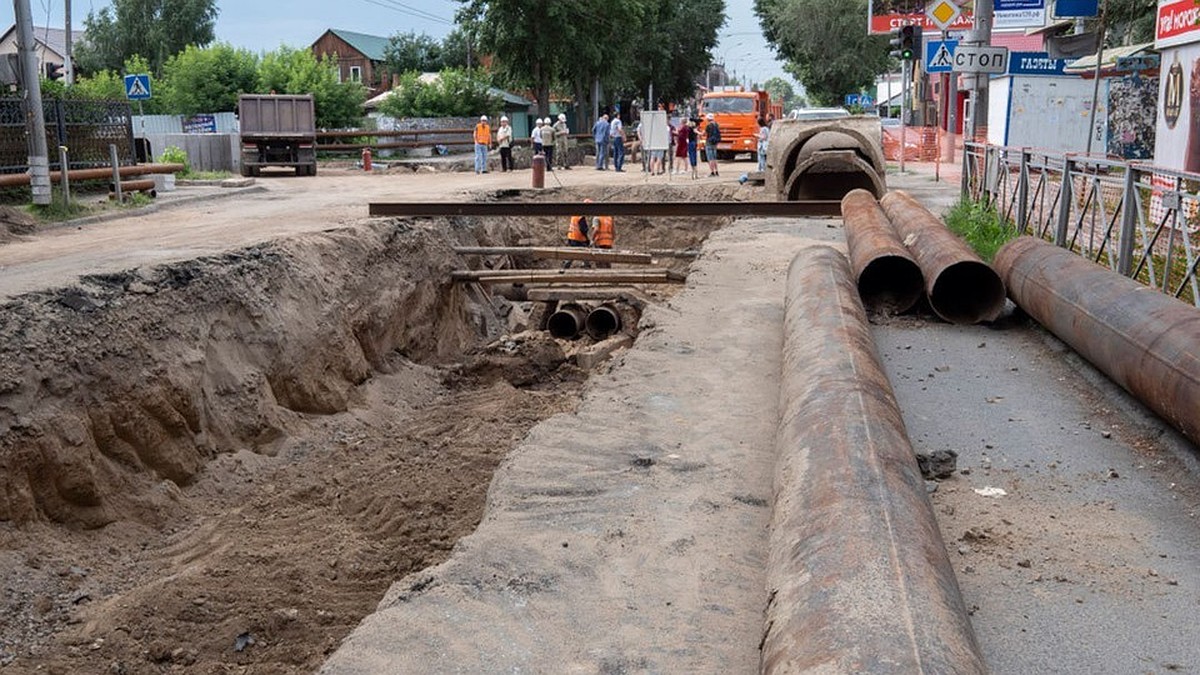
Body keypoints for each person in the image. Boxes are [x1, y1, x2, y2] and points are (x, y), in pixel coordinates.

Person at [704, 112, 721, 177]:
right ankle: (716, 171)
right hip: (715, 142)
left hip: (709, 142)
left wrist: (697, 132)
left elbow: (704, 133)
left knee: (710, 158)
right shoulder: (716, 124)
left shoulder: (708, 126)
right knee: (714, 158)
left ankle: (712, 172)